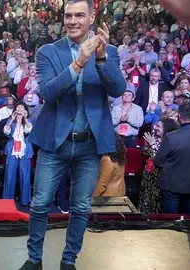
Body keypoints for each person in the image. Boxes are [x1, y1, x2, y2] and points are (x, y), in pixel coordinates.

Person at [19, 1, 126, 270]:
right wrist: (78, 63)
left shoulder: (109, 51)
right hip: (54, 143)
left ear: (92, 18)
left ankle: (69, 260)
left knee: (79, 208)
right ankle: (34, 259)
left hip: (89, 145)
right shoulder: (47, 52)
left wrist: (100, 58)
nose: (73, 20)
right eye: (68, 15)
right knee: (40, 204)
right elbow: (48, 92)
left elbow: (117, 89)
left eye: (80, 15)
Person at [155, 100, 190, 213]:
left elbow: (158, 161)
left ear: (179, 116)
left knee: (169, 221)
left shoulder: (170, 137)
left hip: (171, 186)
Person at [92, 133, 126, 197]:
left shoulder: (107, 159)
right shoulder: (120, 155)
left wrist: (91, 198)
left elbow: (102, 185)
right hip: (119, 194)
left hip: (107, 197)